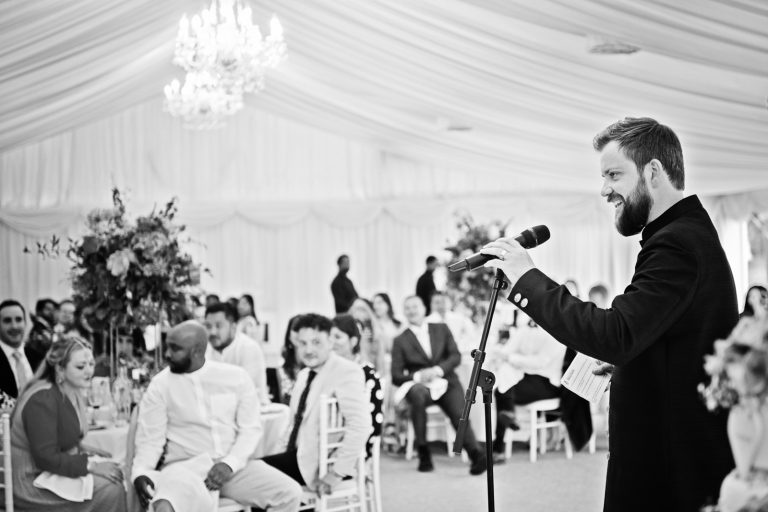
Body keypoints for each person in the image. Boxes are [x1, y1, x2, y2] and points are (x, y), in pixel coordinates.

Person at [483, 117, 737, 511]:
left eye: (614, 175)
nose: (605, 190)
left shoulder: (677, 243)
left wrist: (526, 278)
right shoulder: (683, 234)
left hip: (670, 467)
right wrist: (635, 366)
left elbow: (615, 333)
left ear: (653, 171)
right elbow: (673, 340)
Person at [131, 321, 301, 512]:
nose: (167, 354)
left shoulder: (236, 377)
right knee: (164, 506)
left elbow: (250, 430)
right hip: (185, 469)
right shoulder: (160, 385)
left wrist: (229, 464)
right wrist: (141, 472)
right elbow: (150, 439)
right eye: (167, 346)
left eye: (175, 349)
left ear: (196, 351)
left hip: (233, 467)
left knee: (289, 493)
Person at [10, 334, 126, 512]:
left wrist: (86, 449)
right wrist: (91, 465)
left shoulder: (69, 389)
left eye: (91, 364)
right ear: (60, 369)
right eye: (80, 366)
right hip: (32, 481)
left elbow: (60, 436)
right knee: (112, 487)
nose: (89, 371)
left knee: (120, 472)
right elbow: (45, 457)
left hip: (50, 471)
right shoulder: (42, 398)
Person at [261, 313, 369, 495]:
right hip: (299, 454)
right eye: (303, 343)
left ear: (330, 342)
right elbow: (292, 425)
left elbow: (360, 425)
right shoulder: (304, 375)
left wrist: (336, 473)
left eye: (316, 342)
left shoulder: (346, 371)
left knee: (257, 476)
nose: (308, 350)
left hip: (321, 464)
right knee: (253, 474)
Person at [391, 295, 487, 475]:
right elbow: (395, 375)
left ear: (424, 308)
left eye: (415, 306)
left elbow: (455, 356)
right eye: (408, 308)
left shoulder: (441, 328)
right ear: (404, 312)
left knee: (459, 413)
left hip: (446, 381)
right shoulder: (400, 340)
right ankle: (423, 452)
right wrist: (419, 375)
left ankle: (475, 454)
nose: (412, 311)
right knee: (418, 394)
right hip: (420, 386)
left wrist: (437, 370)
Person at [486, 311, 565, 457]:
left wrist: (511, 358)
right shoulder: (525, 329)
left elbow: (540, 362)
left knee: (502, 389)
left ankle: (499, 446)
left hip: (548, 383)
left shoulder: (557, 333)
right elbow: (508, 349)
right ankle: (507, 420)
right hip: (528, 376)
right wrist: (501, 355)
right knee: (504, 382)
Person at [330, 313, 383, 459]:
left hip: (355, 447)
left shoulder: (367, 374)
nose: (332, 342)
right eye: (329, 337)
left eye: (338, 337)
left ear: (353, 341)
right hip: (322, 443)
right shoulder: (325, 371)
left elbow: (374, 423)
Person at [204, 302, 269, 404]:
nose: (212, 332)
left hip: (253, 412)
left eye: (218, 326)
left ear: (233, 327)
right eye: (208, 326)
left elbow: (244, 391)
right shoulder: (206, 348)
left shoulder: (248, 347)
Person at [237, 293, 281, 401]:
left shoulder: (249, 322)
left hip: (248, 363)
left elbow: (248, 344)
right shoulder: (243, 321)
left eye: (244, 303)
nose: (240, 306)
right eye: (239, 303)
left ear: (251, 305)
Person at [0, 299, 35, 401]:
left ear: (25, 323)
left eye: (18, 320)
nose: (14, 326)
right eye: (7, 321)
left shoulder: (38, 357)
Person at [349, 297, 385, 372]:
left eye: (361, 309)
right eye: (354, 309)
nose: (357, 312)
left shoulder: (377, 335)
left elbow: (381, 365)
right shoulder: (348, 336)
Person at [26, 298, 59, 372]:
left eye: (53, 309)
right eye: (48, 309)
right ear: (39, 311)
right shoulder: (39, 329)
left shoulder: (48, 328)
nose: (52, 312)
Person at [278, 315, 302, 404]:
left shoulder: (315, 365)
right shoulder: (282, 366)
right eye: (296, 329)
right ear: (289, 334)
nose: (300, 333)